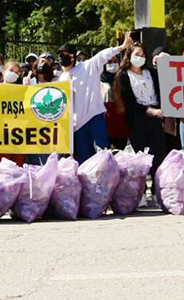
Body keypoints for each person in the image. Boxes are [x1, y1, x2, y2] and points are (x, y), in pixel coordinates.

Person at [58, 32, 134, 161]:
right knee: (84, 159)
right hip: (77, 124)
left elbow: (102, 56)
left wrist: (121, 47)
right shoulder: (61, 78)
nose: (62, 58)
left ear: (73, 57)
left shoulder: (87, 66)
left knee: (103, 156)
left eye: (66, 54)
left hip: (95, 117)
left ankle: (107, 181)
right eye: (60, 55)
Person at [114, 43, 167, 201]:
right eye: (137, 54)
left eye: (143, 55)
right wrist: (147, 110)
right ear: (129, 56)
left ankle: (157, 192)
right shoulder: (123, 76)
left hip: (156, 118)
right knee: (139, 159)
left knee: (158, 156)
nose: (140, 58)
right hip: (137, 120)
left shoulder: (151, 73)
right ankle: (141, 193)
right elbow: (129, 101)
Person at [101, 54, 129, 150]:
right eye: (109, 62)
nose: (113, 64)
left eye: (115, 61)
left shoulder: (123, 78)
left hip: (121, 118)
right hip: (106, 119)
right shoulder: (99, 81)